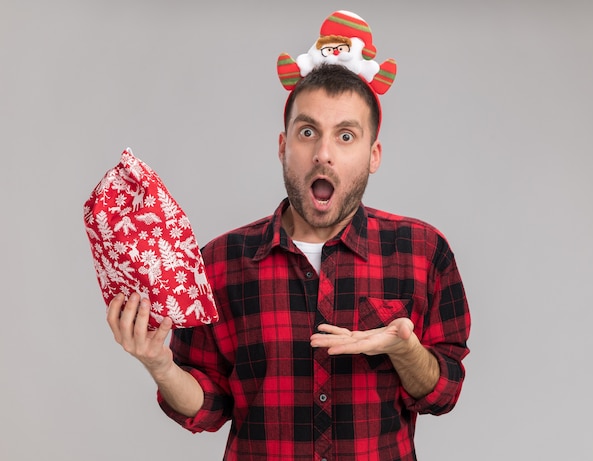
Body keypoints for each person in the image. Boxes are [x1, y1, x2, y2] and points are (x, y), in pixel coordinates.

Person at [107, 13, 470, 461]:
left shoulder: (422, 252)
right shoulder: (219, 262)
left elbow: (442, 393)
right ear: (283, 146)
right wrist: (159, 365)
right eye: (307, 132)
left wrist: (405, 349)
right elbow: (208, 406)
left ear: (373, 154)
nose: (323, 153)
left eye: (346, 136)